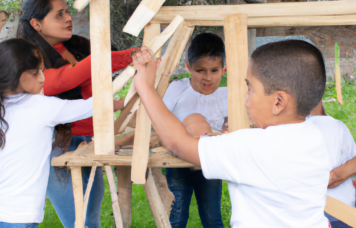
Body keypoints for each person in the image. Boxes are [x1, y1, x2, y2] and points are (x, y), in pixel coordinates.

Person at [132, 40, 331, 227]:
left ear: (278, 102)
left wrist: (145, 86)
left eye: (250, 89)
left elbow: (177, 142)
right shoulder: (317, 136)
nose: (245, 97)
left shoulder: (251, 146)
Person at [17, 0, 135, 228]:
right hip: (57, 146)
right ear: (36, 24)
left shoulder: (77, 48)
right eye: (59, 15)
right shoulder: (25, 57)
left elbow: (89, 99)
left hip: (88, 141)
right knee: (76, 222)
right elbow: (57, 82)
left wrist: (121, 104)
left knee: (90, 220)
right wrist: (128, 56)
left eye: (68, 11)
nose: (68, 18)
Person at [0, 39, 93, 228]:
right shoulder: (40, 107)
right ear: (15, 74)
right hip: (19, 215)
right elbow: (95, 106)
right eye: (36, 73)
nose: (42, 78)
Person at [162, 33, 226, 228]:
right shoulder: (177, 89)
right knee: (177, 215)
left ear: (224, 69)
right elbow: (161, 118)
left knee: (212, 216)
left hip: (209, 163)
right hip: (177, 162)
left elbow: (233, 125)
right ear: (188, 67)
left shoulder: (227, 95)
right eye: (200, 70)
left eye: (214, 70)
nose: (208, 77)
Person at [310, 101, 356, 228]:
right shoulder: (335, 127)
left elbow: (332, 178)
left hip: (331, 213)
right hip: (339, 212)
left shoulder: (329, 127)